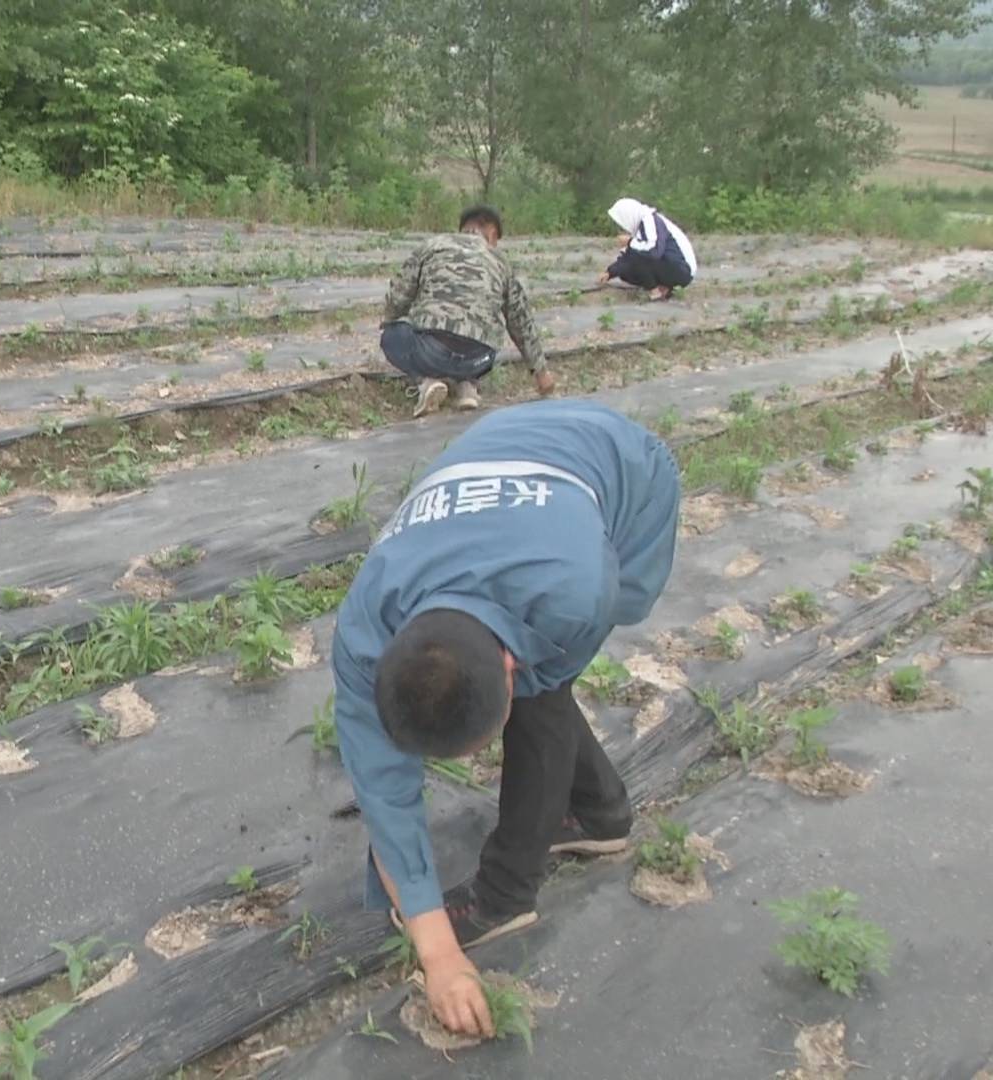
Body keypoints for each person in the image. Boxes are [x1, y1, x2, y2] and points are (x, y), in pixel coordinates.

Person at [330, 398, 681, 1039]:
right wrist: (439, 955)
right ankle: (602, 815)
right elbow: (383, 791)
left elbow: (549, 667)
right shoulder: (362, 634)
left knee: (544, 701)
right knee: (539, 697)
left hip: (626, 469)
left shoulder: (574, 592)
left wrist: (433, 930)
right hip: (508, 450)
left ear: (509, 666)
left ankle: (507, 894)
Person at [381, 205, 556, 418]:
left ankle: (427, 382)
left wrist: (391, 321)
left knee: (392, 336)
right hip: (480, 359)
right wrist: (541, 372)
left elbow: (399, 297)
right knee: (482, 334)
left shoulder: (432, 245)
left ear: (462, 228)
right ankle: (467, 386)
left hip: (430, 353)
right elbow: (520, 321)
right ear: (492, 233)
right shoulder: (502, 263)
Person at [601, 197, 698, 301]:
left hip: (683, 269)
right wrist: (610, 272)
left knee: (638, 256)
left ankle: (655, 291)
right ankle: (664, 286)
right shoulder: (642, 225)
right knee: (625, 272)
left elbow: (654, 251)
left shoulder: (650, 220)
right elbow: (631, 254)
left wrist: (630, 242)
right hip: (673, 265)